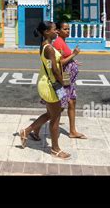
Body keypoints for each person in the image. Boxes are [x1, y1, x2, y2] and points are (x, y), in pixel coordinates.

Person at [18, 21, 71, 160]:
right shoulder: (48, 48)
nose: (57, 32)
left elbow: (51, 64)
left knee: (51, 113)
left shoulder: (46, 46)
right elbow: (54, 69)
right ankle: (55, 150)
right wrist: (64, 82)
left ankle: (27, 131)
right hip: (50, 85)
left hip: (46, 83)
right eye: (55, 30)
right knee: (55, 117)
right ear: (47, 32)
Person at [53, 22, 86, 139]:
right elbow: (59, 62)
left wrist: (73, 61)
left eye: (68, 29)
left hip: (69, 79)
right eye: (65, 29)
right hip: (64, 78)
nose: (68, 31)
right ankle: (34, 128)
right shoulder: (57, 43)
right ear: (58, 31)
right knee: (60, 106)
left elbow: (64, 58)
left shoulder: (63, 41)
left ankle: (72, 131)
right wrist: (74, 55)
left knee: (72, 101)